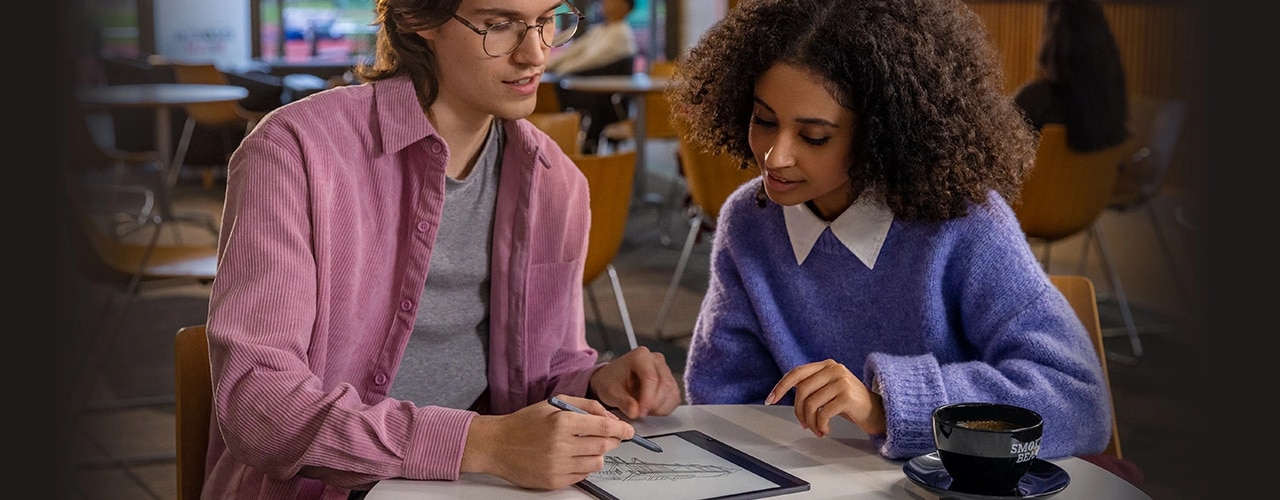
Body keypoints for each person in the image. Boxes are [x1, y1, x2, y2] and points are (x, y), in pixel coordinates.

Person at [201, 1, 681, 498]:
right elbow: (259, 404)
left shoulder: (557, 184)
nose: (535, 54)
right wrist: (480, 443)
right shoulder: (294, 151)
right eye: (499, 26)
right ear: (416, 18)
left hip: (483, 485)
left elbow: (541, 370)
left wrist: (593, 381)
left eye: (547, 21)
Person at [668, 0, 1112, 462]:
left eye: (814, 136)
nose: (775, 157)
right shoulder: (749, 219)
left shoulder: (964, 223)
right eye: (763, 120)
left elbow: (1079, 400)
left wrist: (888, 407)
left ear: (882, 132)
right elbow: (722, 399)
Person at [1013, 0, 1128, 152]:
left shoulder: (1037, 99)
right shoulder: (1114, 107)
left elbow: (993, 140)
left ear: (1054, 38)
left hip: (1043, 176)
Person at [546, 0, 637, 153]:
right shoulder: (600, 30)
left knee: (556, 90)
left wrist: (560, 70)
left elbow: (589, 61)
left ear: (625, 7)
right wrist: (545, 66)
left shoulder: (622, 34)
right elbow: (574, 51)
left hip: (606, 103)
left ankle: (579, 144)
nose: (606, 3)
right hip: (588, 94)